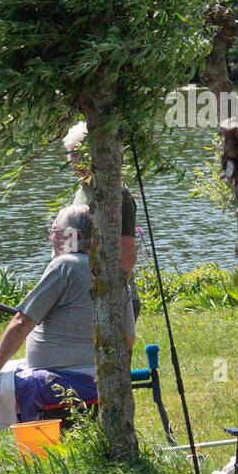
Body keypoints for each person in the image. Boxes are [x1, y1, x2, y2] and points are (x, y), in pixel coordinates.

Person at [0, 205, 134, 462]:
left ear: (71, 235)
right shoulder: (115, 272)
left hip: (68, 379)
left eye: (55, 231)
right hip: (103, 376)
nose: (51, 237)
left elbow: (21, 322)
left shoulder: (65, 266)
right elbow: (128, 339)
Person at [62, 121, 141, 323]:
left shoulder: (118, 194)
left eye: (79, 154)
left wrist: (113, 296)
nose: (74, 160)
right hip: (85, 296)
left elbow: (127, 257)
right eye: (72, 153)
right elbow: (73, 248)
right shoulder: (81, 192)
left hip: (114, 297)